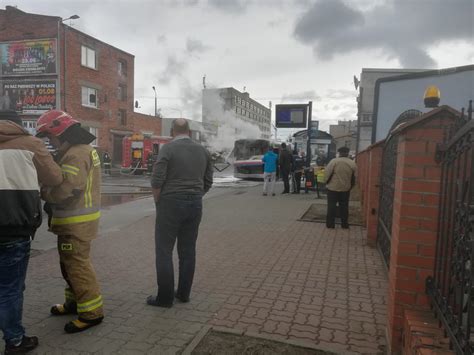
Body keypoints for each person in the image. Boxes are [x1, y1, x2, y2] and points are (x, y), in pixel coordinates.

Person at [0, 110, 62, 354]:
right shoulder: (31, 144)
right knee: (10, 288)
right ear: (17, 124)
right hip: (14, 228)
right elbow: (55, 178)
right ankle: (15, 340)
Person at [37, 110, 104, 333]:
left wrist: (44, 193)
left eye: (51, 137)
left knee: (77, 266)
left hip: (75, 222)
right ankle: (75, 304)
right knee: (69, 265)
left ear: (61, 133)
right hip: (78, 221)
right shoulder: (81, 150)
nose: (51, 143)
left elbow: (68, 189)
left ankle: (92, 313)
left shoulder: (75, 154)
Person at [148, 118, 213, 307]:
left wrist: (158, 201)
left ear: (172, 131)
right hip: (195, 205)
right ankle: (184, 294)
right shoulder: (203, 151)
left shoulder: (167, 149)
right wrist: (195, 195)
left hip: (170, 203)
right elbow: (208, 180)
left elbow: (157, 180)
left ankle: (165, 298)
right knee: (188, 251)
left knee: (164, 251)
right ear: (190, 132)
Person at [324, 146, 357, 229]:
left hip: (332, 188)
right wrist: (350, 186)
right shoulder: (352, 163)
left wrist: (326, 182)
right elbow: (355, 176)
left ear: (339, 153)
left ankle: (330, 224)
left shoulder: (334, 161)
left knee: (331, 206)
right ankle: (344, 224)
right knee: (344, 207)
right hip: (345, 188)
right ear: (347, 153)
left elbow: (327, 173)